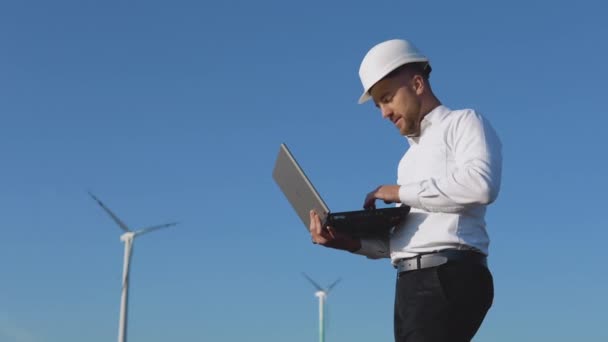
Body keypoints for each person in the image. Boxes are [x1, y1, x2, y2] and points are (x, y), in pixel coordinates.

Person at [308, 38, 503, 342]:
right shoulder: (407, 161)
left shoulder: (464, 122)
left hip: (448, 274)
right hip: (412, 283)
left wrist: (399, 192)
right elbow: (409, 242)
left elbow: (481, 186)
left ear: (417, 83)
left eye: (387, 98)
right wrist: (349, 243)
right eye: (378, 105)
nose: (384, 113)